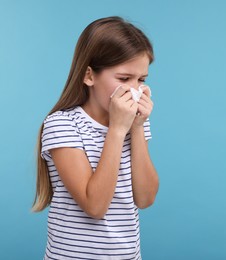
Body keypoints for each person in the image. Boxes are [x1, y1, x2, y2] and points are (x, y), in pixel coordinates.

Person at [32, 16, 159, 260]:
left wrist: (137, 127)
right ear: (89, 76)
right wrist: (117, 131)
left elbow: (145, 198)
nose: (134, 91)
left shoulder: (136, 123)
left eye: (141, 80)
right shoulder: (62, 124)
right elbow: (95, 206)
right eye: (123, 79)